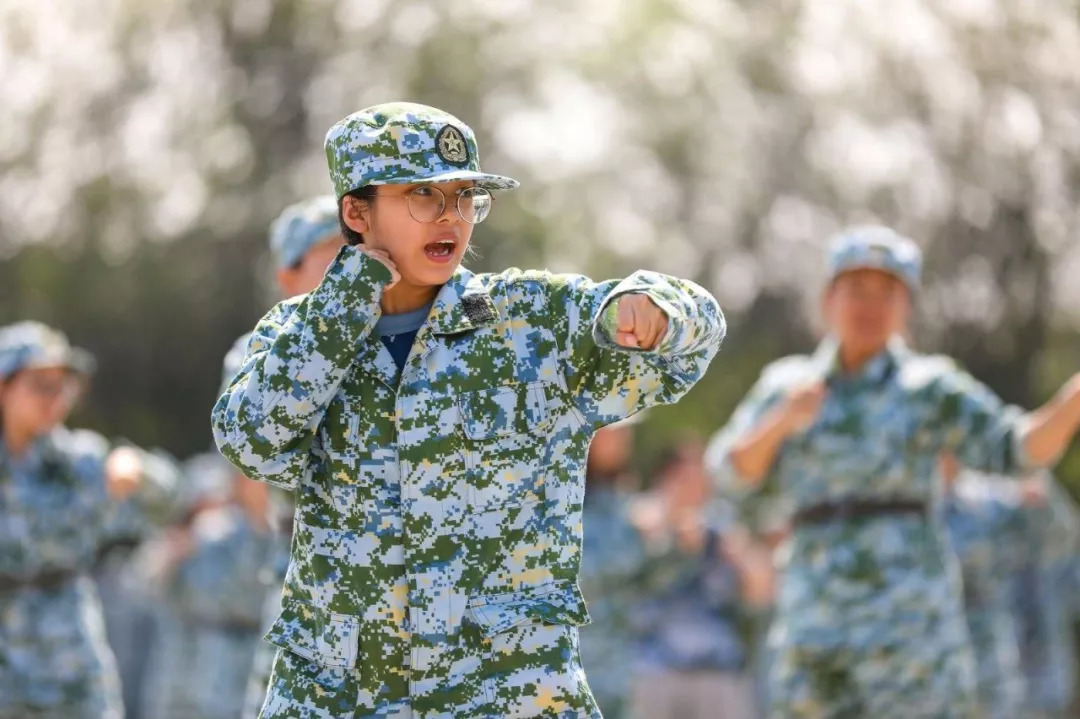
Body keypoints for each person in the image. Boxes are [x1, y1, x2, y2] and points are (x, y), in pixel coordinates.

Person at [214, 101, 726, 718]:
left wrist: (656, 306)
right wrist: (346, 303)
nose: (450, 216)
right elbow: (252, 444)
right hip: (342, 690)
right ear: (356, 211)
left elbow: (690, 341)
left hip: (502, 688)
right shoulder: (298, 332)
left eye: (464, 197)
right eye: (424, 193)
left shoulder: (526, 323)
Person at [706, 226, 1080, 718]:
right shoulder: (788, 386)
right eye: (857, 290)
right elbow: (729, 474)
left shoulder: (930, 388)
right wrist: (782, 423)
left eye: (888, 292)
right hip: (816, 632)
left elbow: (1015, 449)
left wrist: (1073, 400)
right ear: (828, 299)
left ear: (906, 306)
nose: (871, 306)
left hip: (911, 638)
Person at [0, 321, 177, 719]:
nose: (54, 397)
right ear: (3, 387)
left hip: (70, 658)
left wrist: (135, 467)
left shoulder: (79, 462)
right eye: (39, 384)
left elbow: (168, 498)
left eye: (61, 385)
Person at [231, 195, 347, 716]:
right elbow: (250, 481)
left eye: (353, 250)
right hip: (312, 586)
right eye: (328, 256)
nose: (348, 267)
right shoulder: (262, 354)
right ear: (288, 277)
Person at [628, 441, 763, 719]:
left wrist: (735, 547)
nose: (694, 490)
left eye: (701, 481)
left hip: (717, 671)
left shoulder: (722, 528)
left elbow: (761, 591)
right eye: (685, 480)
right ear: (664, 480)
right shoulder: (635, 522)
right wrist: (665, 533)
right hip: (654, 672)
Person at [144, 452, 273, 719]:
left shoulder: (274, 533)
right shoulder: (206, 531)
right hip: (187, 658)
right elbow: (146, 582)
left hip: (243, 662)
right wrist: (177, 545)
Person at [940, 455, 1030, 719]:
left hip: (986, 634)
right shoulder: (911, 501)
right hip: (937, 641)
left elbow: (1018, 493)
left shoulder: (980, 496)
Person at [577, 418, 649, 719]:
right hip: (576, 661)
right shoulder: (565, 493)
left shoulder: (621, 493)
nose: (624, 439)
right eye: (616, 430)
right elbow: (574, 572)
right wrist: (637, 539)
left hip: (620, 664)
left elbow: (645, 582)